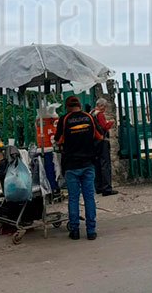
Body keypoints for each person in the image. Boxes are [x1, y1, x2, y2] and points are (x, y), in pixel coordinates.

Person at [55, 95, 104, 241]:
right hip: (88, 163)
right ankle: (91, 231)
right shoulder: (89, 117)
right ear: (80, 105)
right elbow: (100, 137)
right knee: (89, 197)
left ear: (67, 107)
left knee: (73, 198)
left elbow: (58, 140)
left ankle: (75, 231)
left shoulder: (64, 119)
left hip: (71, 165)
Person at [91, 98, 118, 196]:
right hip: (102, 141)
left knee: (97, 165)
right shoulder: (100, 114)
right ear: (101, 106)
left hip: (94, 142)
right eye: (105, 106)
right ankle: (107, 188)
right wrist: (111, 122)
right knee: (105, 164)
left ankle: (98, 187)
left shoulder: (92, 113)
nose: (105, 108)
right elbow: (104, 126)